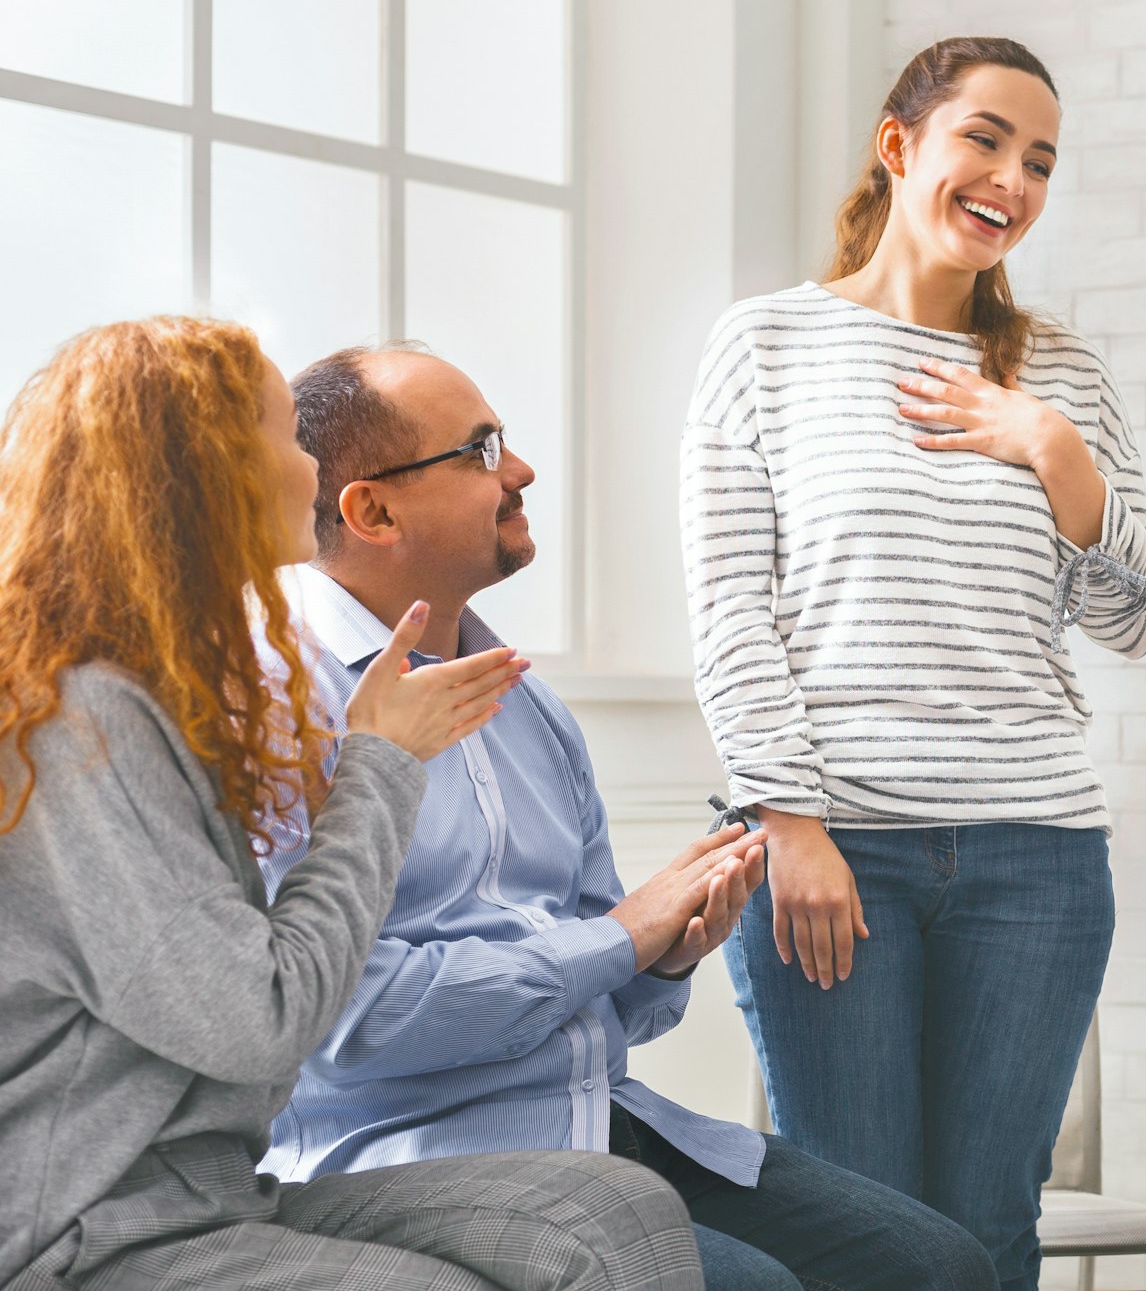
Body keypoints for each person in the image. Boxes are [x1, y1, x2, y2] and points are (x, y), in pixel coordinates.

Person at [264, 344, 998, 1291]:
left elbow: (614, 997)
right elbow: (352, 1020)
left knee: (938, 1266)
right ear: (372, 508)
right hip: (419, 1153)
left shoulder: (531, 712)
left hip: (599, 1115)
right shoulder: (278, 708)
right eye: (481, 450)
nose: (521, 472)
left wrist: (670, 946)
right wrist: (621, 935)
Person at [0, 318, 703, 1291]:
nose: (313, 473)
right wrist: (379, 764)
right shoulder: (81, 725)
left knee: (614, 1208)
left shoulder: (163, 694)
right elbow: (263, 1025)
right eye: (289, 440)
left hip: (216, 1191)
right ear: (205, 473)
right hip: (86, 1230)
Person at [680, 36, 1146, 1288]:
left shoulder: (1060, 379)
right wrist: (788, 822)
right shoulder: (765, 349)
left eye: (1041, 160)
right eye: (986, 139)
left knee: (990, 1227)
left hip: (1036, 858)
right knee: (858, 1230)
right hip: (835, 847)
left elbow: (1131, 617)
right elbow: (732, 614)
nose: (1012, 177)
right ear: (900, 147)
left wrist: (1056, 456)